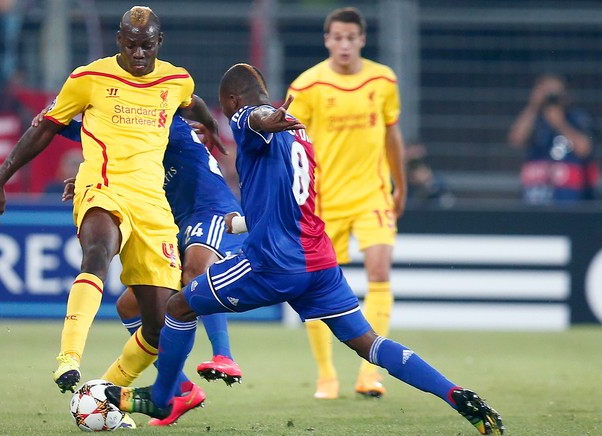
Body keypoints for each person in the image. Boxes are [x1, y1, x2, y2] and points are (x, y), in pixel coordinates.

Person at [103, 63, 504, 435]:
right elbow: (290, 198)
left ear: (231, 102)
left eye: (227, 109)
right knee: (368, 343)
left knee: (178, 307)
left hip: (273, 263)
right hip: (320, 263)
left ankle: (162, 397)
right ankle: (455, 394)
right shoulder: (299, 132)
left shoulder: (249, 117)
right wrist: (242, 222)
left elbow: (254, 118)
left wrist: (260, 118)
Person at [0, 5, 222, 404]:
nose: (139, 54)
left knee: (158, 328)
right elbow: (44, 127)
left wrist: (210, 125)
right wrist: (0, 178)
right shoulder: (88, 77)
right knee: (97, 252)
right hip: (103, 187)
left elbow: (191, 102)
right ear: (119, 41)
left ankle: (105, 394)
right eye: (131, 46)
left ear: (159, 43)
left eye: (146, 46)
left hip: (153, 206)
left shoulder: (176, 80)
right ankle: (68, 358)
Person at [49, 112, 246, 426]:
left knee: (195, 273)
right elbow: (107, 148)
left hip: (211, 211)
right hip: (175, 221)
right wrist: (90, 177)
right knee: (129, 306)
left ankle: (224, 355)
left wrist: (54, 120)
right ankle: (180, 389)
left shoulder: (157, 120)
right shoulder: (139, 137)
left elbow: (100, 134)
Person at [286, 7, 407, 399]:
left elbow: (392, 134)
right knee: (316, 287)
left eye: (350, 37)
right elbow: (290, 146)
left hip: (372, 193)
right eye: (336, 37)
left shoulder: (383, 79)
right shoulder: (306, 87)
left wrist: (399, 185)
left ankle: (370, 372)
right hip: (323, 202)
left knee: (379, 271)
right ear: (327, 40)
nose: (343, 44)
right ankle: (326, 376)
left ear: (361, 40)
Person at [507, 73, 598, 204]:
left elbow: (584, 149)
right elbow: (516, 139)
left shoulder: (577, 117)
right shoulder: (534, 119)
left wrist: (560, 123)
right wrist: (533, 106)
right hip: (536, 193)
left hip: (569, 195)